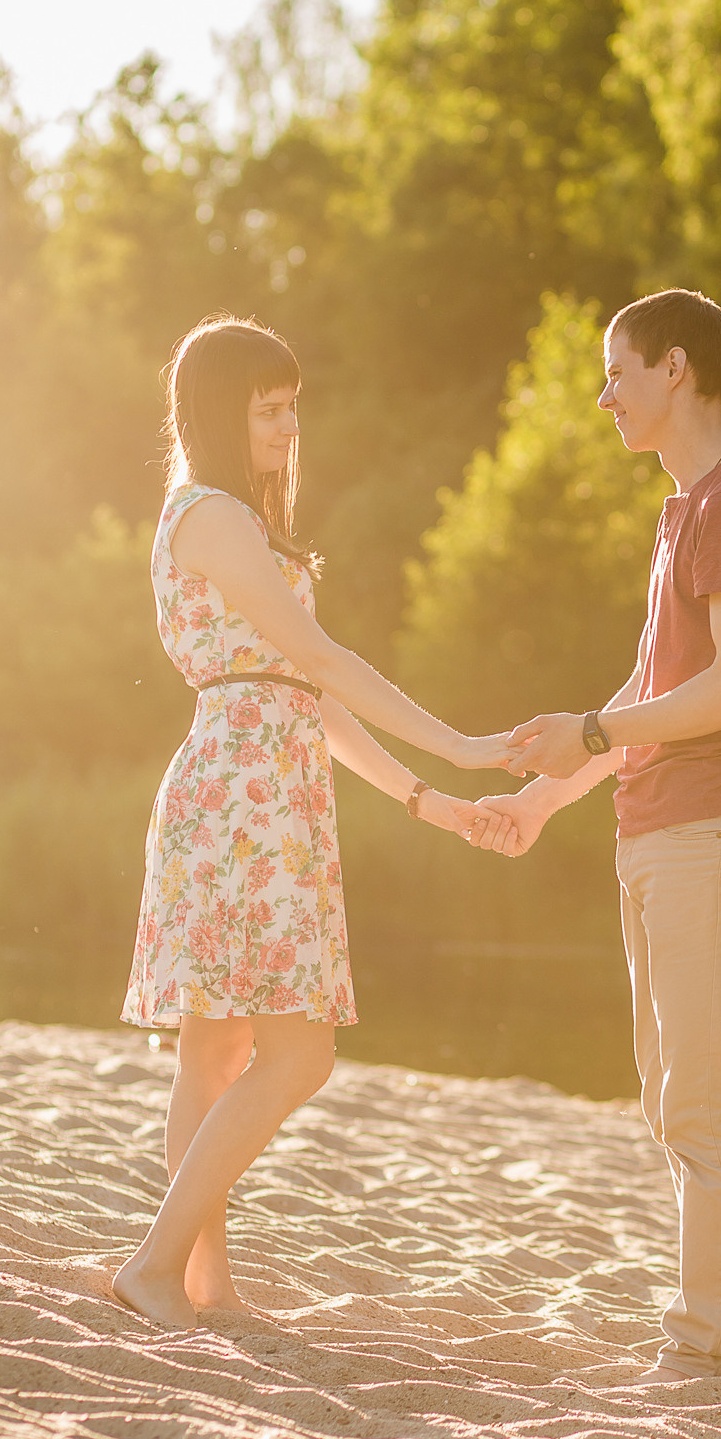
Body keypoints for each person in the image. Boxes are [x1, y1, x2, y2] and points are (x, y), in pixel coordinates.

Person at [114, 315, 514, 1331]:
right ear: (218, 412)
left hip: (264, 780)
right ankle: (157, 1265)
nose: (290, 428)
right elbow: (322, 661)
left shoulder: (243, 523)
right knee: (297, 1055)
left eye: (293, 408)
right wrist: (461, 745)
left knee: (212, 1055)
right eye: (268, 410)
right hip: (243, 791)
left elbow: (311, 700)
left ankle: (204, 1281)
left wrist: (431, 801)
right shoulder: (209, 515)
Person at [474, 289, 721, 1380]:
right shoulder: (684, 513)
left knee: (700, 1097)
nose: (603, 392)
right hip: (663, 830)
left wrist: (591, 730)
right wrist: (548, 793)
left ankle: (707, 1343)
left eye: (618, 370)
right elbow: (653, 688)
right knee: (676, 1096)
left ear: (676, 369)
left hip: (711, 832)